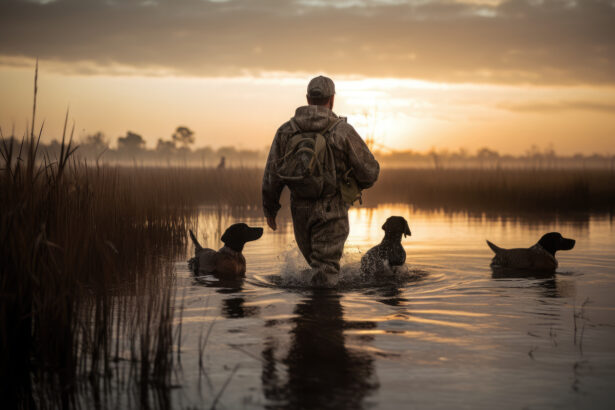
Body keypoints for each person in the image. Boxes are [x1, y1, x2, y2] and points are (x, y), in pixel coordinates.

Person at [262, 75, 379, 285]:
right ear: (332, 99)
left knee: (318, 272)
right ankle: (325, 316)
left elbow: (272, 174)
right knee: (325, 276)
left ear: (307, 98)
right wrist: (352, 186)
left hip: (299, 211)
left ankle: (309, 316)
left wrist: (270, 208)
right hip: (331, 210)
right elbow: (370, 172)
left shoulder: (286, 131)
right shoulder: (342, 131)